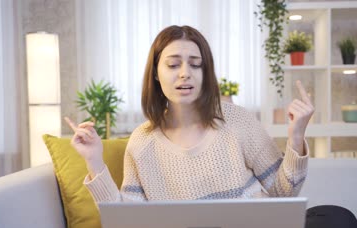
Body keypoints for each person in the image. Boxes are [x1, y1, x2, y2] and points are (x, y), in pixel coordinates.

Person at [65, 25, 314, 203]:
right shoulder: (142, 141)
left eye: (196, 64)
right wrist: (94, 160)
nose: (185, 73)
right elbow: (126, 222)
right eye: (173, 65)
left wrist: (296, 137)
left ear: (206, 73)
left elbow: (284, 194)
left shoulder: (238, 120)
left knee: (335, 222)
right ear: (155, 73)